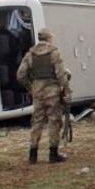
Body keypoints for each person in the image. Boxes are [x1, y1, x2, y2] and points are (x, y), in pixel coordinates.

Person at [17, 28, 71, 164]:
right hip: (52, 91)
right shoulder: (54, 52)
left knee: (37, 122)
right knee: (54, 121)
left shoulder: (30, 54)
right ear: (49, 39)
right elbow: (60, 74)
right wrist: (66, 90)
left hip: (37, 92)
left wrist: (31, 88)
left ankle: (33, 154)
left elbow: (20, 75)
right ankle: (53, 154)